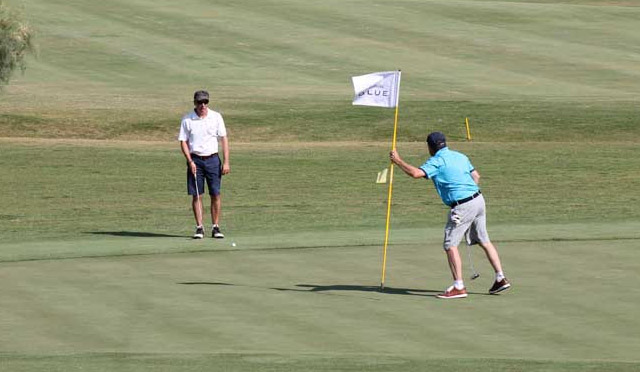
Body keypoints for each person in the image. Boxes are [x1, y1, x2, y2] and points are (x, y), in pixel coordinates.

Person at [389, 131, 510, 299]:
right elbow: (476, 176)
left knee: (450, 244)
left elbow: (416, 173)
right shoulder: (460, 156)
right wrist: (467, 193)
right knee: (484, 240)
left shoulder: (436, 161)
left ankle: (458, 286)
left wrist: (398, 161)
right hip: (479, 200)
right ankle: (500, 278)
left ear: (430, 147)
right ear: (444, 143)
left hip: (462, 206)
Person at [178, 90, 230, 239]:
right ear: (194, 102)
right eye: (200, 102)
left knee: (215, 194)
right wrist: (190, 161)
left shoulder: (216, 117)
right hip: (196, 160)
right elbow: (183, 141)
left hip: (213, 159)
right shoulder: (187, 119)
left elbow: (224, 139)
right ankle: (199, 228)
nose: (203, 105)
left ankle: (216, 227)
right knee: (197, 195)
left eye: (205, 102)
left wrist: (226, 161)